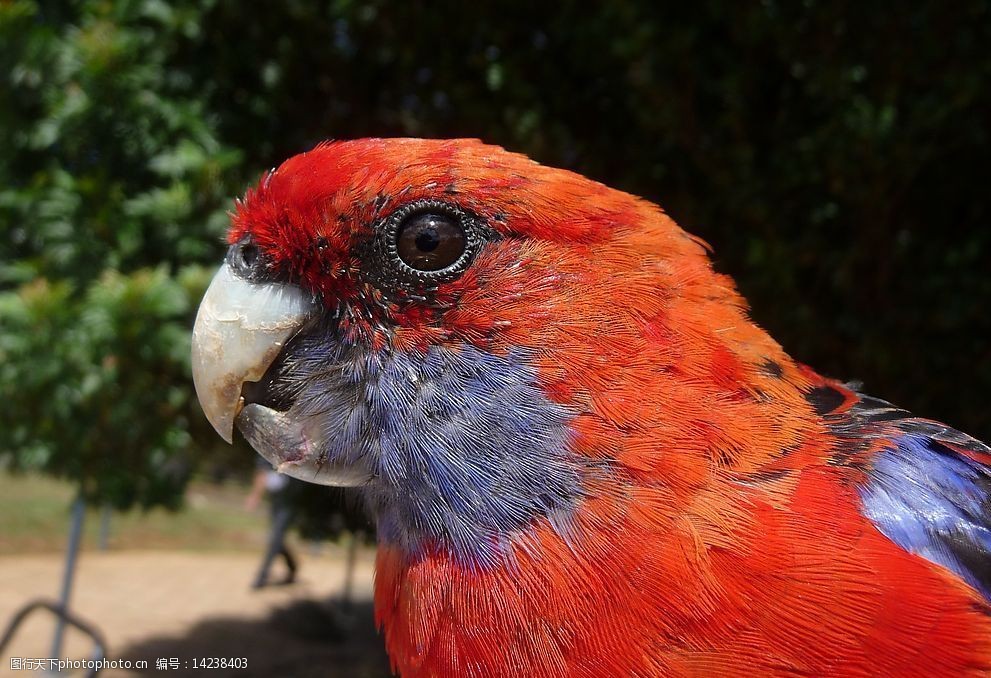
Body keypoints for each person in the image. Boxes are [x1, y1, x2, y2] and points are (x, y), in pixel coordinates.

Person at [245, 457, 299, 589]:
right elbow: (261, 472)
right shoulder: (266, 446)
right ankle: (293, 566)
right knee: (277, 538)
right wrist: (255, 496)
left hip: (291, 502)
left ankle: (262, 577)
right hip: (276, 501)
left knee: (275, 538)